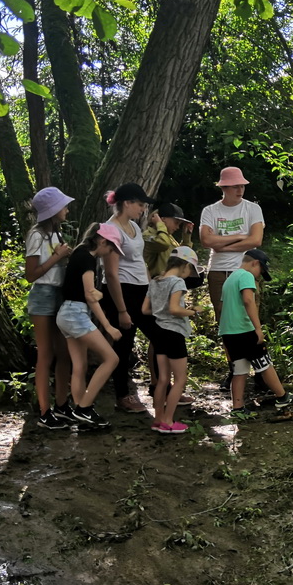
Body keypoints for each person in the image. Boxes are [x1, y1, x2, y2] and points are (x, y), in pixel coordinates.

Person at [218, 249, 293, 421]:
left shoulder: (230, 279)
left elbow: (222, 306)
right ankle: (282, 397)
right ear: (255, 263)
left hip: (228, 332)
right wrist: (257, 328)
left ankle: (237, 408)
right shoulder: (246, 275)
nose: (259, 276)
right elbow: (248, 300)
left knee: (239, 370)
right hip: (244, 329)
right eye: (261, 271)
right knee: (264, 363)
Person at [56, 223, 123, 428]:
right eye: (110, 247)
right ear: (102, 241)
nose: (110, 253)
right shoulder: (87, 259)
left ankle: (80, 411)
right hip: (75, 314)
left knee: (80, 365)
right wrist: (108, 326)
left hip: (66, 314)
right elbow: (90, 295)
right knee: (111, 359)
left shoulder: (80, 253)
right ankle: (84, 408)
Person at [101, 183, 160, 413]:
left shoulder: (134, 225)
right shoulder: (110, 230)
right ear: (127, 203)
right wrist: (122, 310)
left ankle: (160, 386)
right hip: (121, 292)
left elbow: (139, 261)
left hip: (140, 291)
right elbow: (111, 273)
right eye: (141, 204)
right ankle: (122, 395)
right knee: (123, 345)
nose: (143, 209)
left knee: (161, 336)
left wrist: (150, 288)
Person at [25, 186, 76, 429]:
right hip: (43, 296)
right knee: (45, 354)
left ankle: (62, 405)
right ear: (53, 210)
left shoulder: (56, 233)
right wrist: (57, 257)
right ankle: (45, 412)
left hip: (59, 294)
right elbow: (31, 275)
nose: (67, 210)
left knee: (64, 353)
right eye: (63, 206)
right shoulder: (37, 235)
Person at [143, 201, 199, 406]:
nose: (177, 226)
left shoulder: (168, 237)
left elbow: (182, 258)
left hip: (167, 291)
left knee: (160, 340)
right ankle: (159, 384)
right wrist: (159, 225)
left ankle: (165, 388)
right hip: (157, 290)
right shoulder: (152, 235)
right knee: (157, 338)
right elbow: (163, 245)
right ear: (162, 218)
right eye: (176, 222)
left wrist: (186, 237)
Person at [142, 247, 203, 434]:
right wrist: (193, 311)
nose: (189, 274)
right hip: (174, 333)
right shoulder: (177, 282)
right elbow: (175, 309)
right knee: (180, 379)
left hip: (158, 332)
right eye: (190, 270)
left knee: (162, 379)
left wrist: (161, 311)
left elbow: (145, 310)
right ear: (185, 265)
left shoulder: (155, 281)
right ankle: (168, 421)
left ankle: (158, 420)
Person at [200, 166, 264, 336]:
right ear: (224, 188)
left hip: (245, 269)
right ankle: (230, 351)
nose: (240, 190)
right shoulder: (210, 211)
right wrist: (240, 236)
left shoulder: (252, 209)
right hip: (218, 270)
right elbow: (206, 240)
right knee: (223, 317)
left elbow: (256, 240)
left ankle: (251, 348)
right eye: (235, 186)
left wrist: (222, 246)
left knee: (249, 314)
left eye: (242, 186)